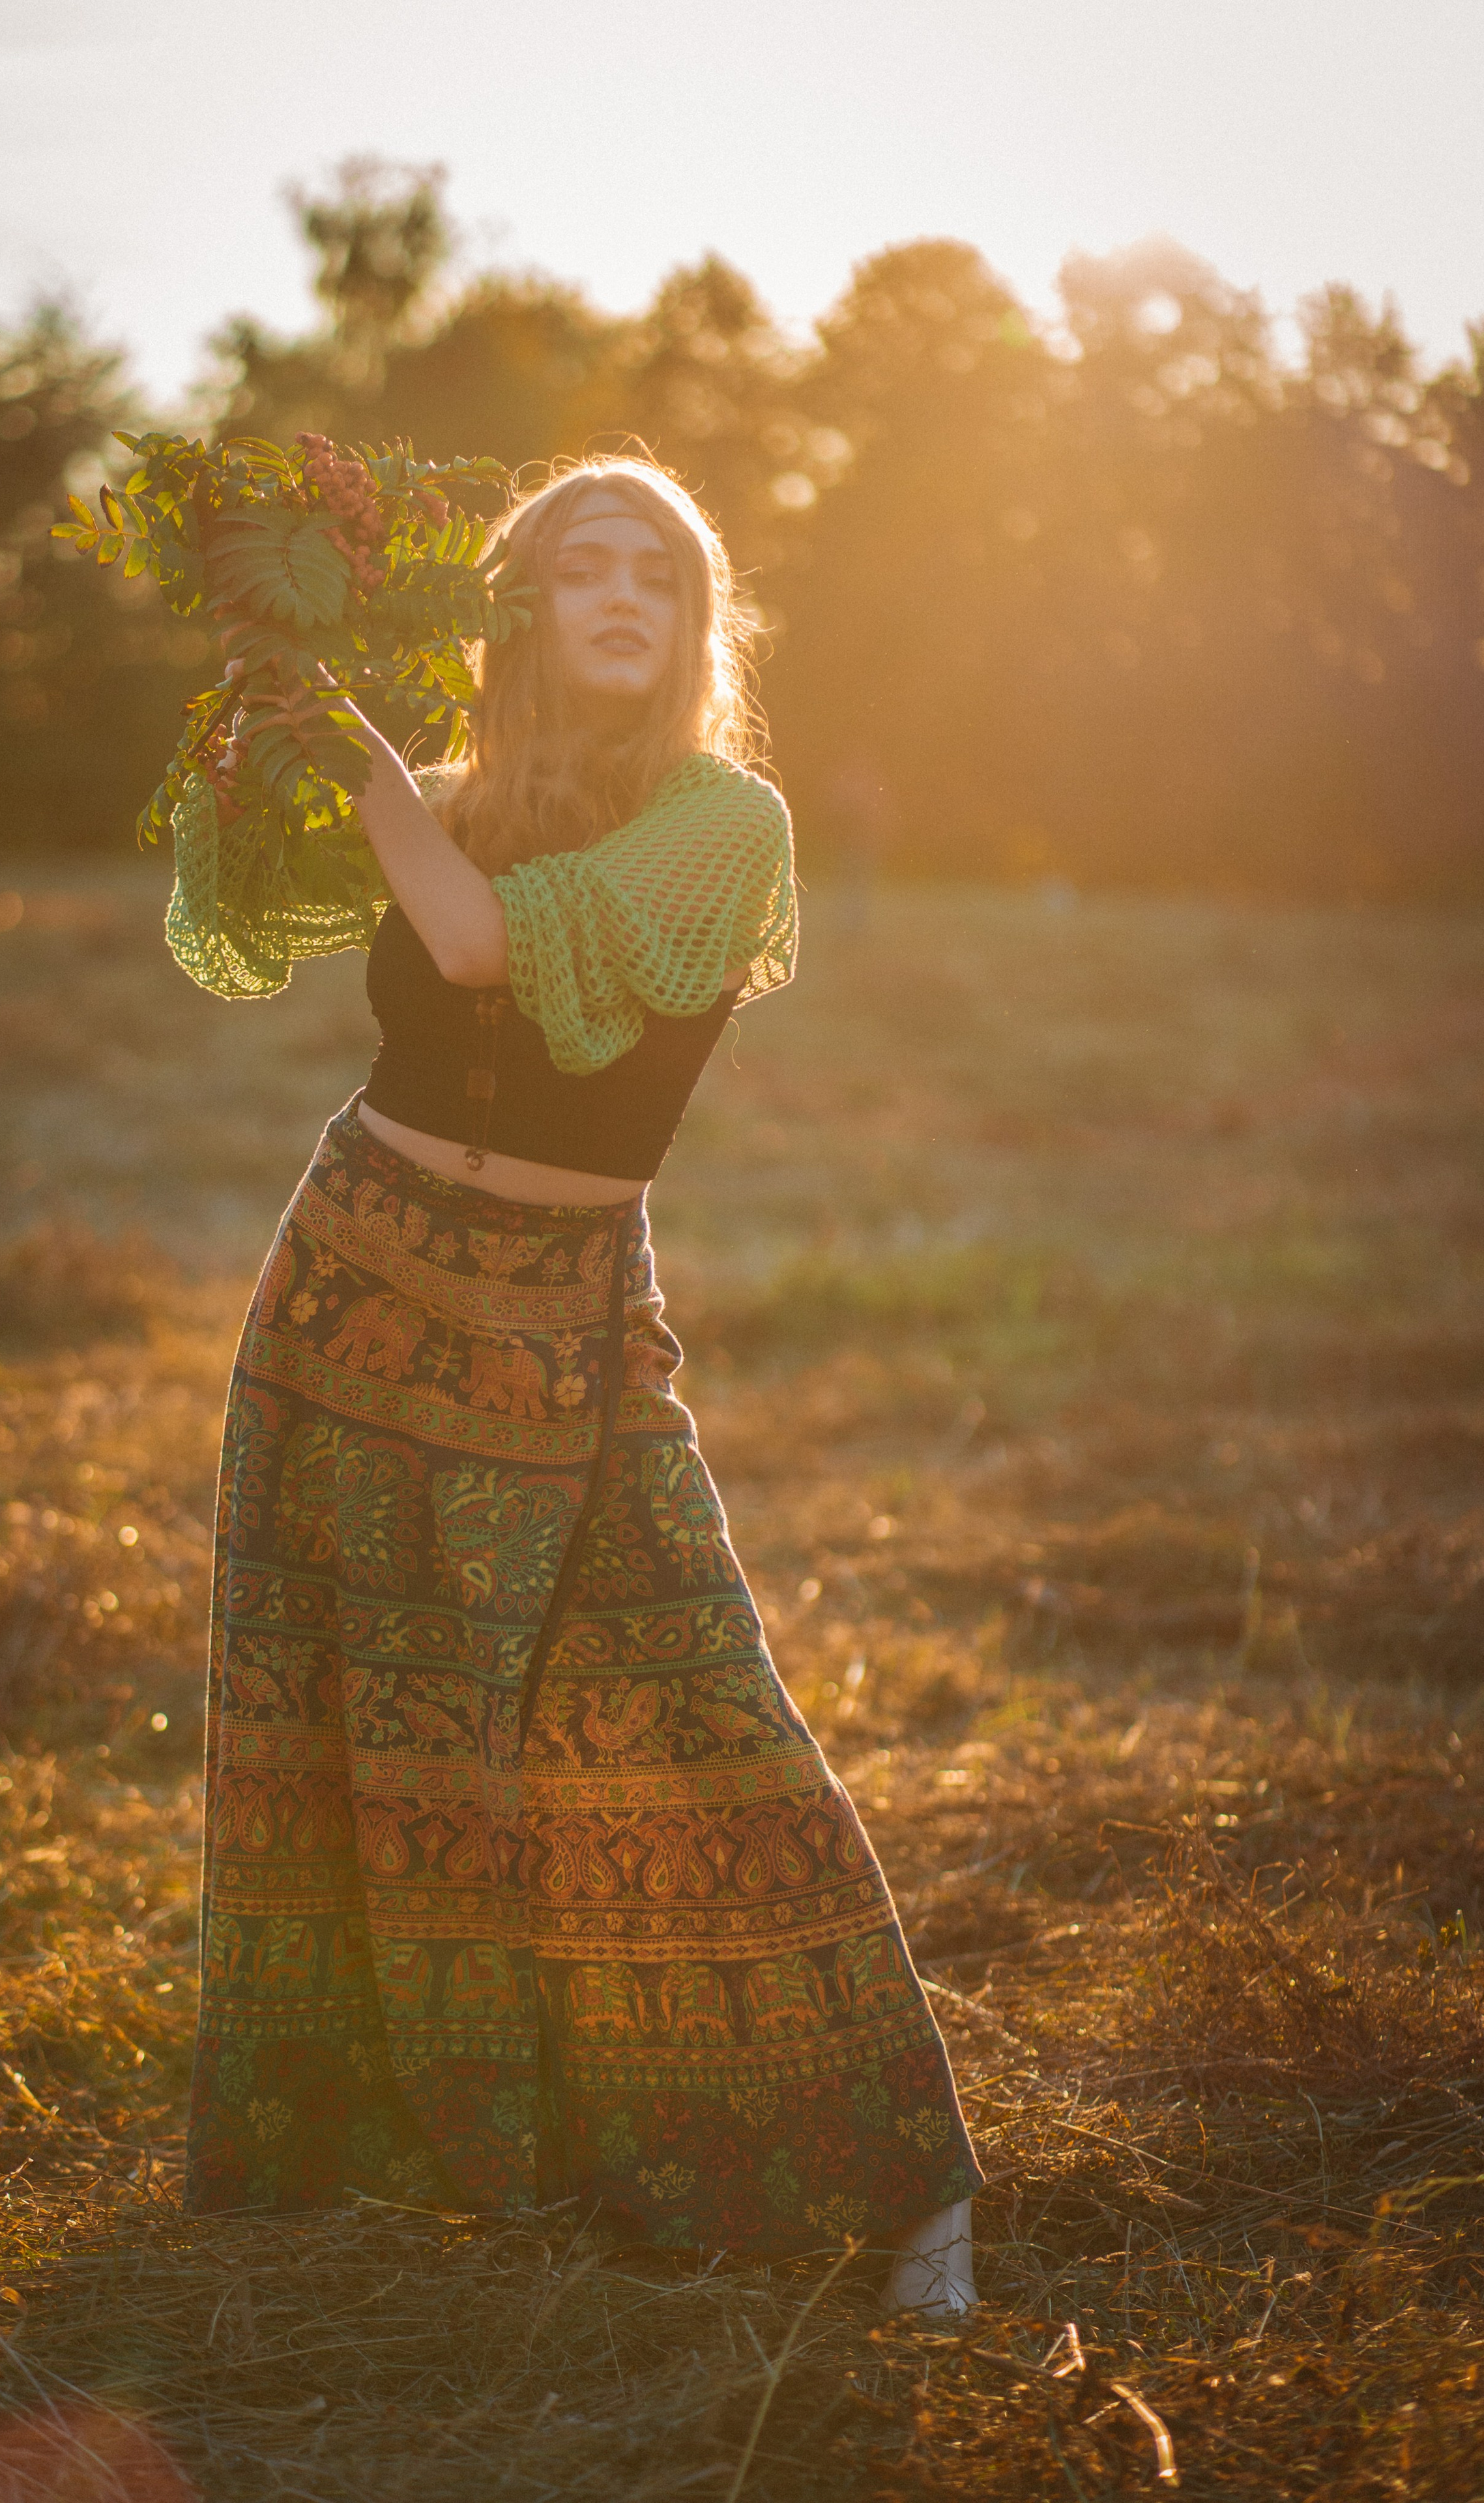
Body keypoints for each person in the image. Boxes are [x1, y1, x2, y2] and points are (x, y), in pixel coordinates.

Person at [179, 454, 982, 2314]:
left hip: (566, 1323)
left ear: (699, 627)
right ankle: (415, 2164)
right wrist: (258, 703)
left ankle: (900, 2185)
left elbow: (481, 950)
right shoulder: (463, 797)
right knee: (366, 1732)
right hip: (352, 1288)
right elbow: (237, 920)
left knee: (688, 1704)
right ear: (522, 606)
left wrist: (361, 755)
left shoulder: (729, 821)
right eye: (584, 567)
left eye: (663, 577)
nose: (626, 597)